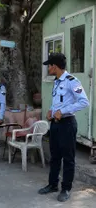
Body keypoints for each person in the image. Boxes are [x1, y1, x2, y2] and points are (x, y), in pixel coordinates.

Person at [38, 53, 89, 202]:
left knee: (68, 158)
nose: (48, 68)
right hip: (55, 124)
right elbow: (59, 102)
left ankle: (66, 188)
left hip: (67, 124)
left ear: (55, 66)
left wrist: (63, 111)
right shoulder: (57, 82)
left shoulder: (71, 81)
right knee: (55, 157)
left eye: (49, 65)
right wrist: (52, 111)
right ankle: (52, 184)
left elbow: (84, 101)